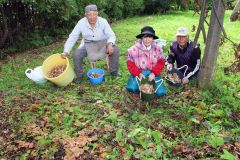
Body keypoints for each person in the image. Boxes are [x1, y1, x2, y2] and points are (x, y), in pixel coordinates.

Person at [61, 4, 120, 83]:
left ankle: (114, 72)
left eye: (94, 14)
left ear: (97, 14)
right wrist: (66, 51)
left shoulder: (103, 21)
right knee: (76, 54)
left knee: (115, 49)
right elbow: (73, 37)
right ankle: (79, 75)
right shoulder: (81, 23)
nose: (92, 17)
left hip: (102, 43)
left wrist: (110, 44)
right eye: (89, 15)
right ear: (85, 15)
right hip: (88, 44)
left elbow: (111, 35)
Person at [125, 26, 167, 97]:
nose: (147, 39)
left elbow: (161, 62)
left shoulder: (158, 49)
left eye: (150, 37)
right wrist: (139, 74)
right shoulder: (133, 50)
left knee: (161, 92)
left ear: (153, 38)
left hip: (153, 73)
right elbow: (130, 64)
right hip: (139, 73)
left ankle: (148, 86)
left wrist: (154, 73)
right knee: (131, 88)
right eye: (145, 37)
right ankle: (139, 86)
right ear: (141, 38)